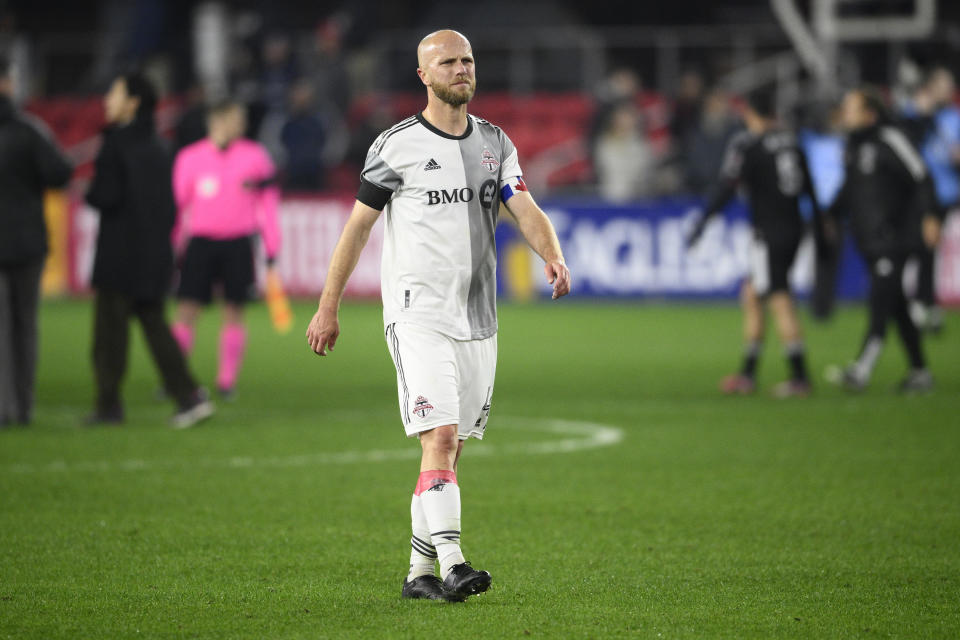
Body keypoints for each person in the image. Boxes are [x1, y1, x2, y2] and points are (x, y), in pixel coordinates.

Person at [305, 29, 571, 602]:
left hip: (479, 319)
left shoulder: (495, 144)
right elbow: (357, 227)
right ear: (423, 75)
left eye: (467, 59)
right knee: (441, 435)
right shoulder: (395, 145)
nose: (461, 69)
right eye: (447, 62)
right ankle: (453, 563)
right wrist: (328, 306)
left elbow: (524, 207)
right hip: (416, 313)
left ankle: (418, 574)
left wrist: (551, 254)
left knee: (450, 451)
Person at [85, 72, 214, 429]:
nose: (106, 100)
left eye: (113, 92)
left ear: (133, 102)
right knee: (156, 328)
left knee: (109, 337)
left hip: (118, 254)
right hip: (154, 253)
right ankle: (188, 396)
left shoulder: (115, 143)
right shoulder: (162, 146)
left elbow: (106, 195)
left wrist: (90, 194)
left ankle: (108, 405)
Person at [687, 89, 822, 397]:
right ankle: (747, 374)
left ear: (749, 113)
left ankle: (799, 377)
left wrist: (703, 222)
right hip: (794, 227)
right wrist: (817, 222)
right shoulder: (791, 142)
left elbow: (727, 187)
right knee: (751, 294)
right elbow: (809, 187)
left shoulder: (749, 145)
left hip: (768, 231)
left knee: (778, 297)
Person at [827, 88, 935, 393]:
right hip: (868, 240)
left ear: (870, 114)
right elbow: (849, 189)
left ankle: (861, 369)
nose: (845, 113)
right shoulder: (854, 146)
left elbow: (921, 175)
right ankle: (920, 372)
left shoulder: (891, 139)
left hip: (894, 238)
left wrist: (930, 216)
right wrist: (830, 215)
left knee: (880, 302)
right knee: (897, 305)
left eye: (851, 107)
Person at [171, 100, 281, 398]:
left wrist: (272, 245)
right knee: (186, 310)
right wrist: (171, 246)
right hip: (200, 243)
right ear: (217, 121)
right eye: (236, 118)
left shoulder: (255, 156)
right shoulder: (189, 158)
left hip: (238, 243)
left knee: (234, 311)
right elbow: (177, 206)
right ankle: (175, 378)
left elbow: (268, 204)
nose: (242, 125)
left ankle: (226, 381)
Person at [0, 57, 71, 427]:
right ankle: (23, 407)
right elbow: (59, 174)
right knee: (25, 326)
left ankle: (3, 408)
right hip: (27, 241)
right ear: (8, 84)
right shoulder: (29, 130)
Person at [899, 65, 959, 332]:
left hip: (945, 193)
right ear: (930, 87)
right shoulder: (912, 114)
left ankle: (924, 303)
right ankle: (920, 303)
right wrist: (923, 115)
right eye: (944, 85)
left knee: (929, 248)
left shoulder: (953, 117)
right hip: (917, 193)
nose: (949, 90)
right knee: (920, 246)